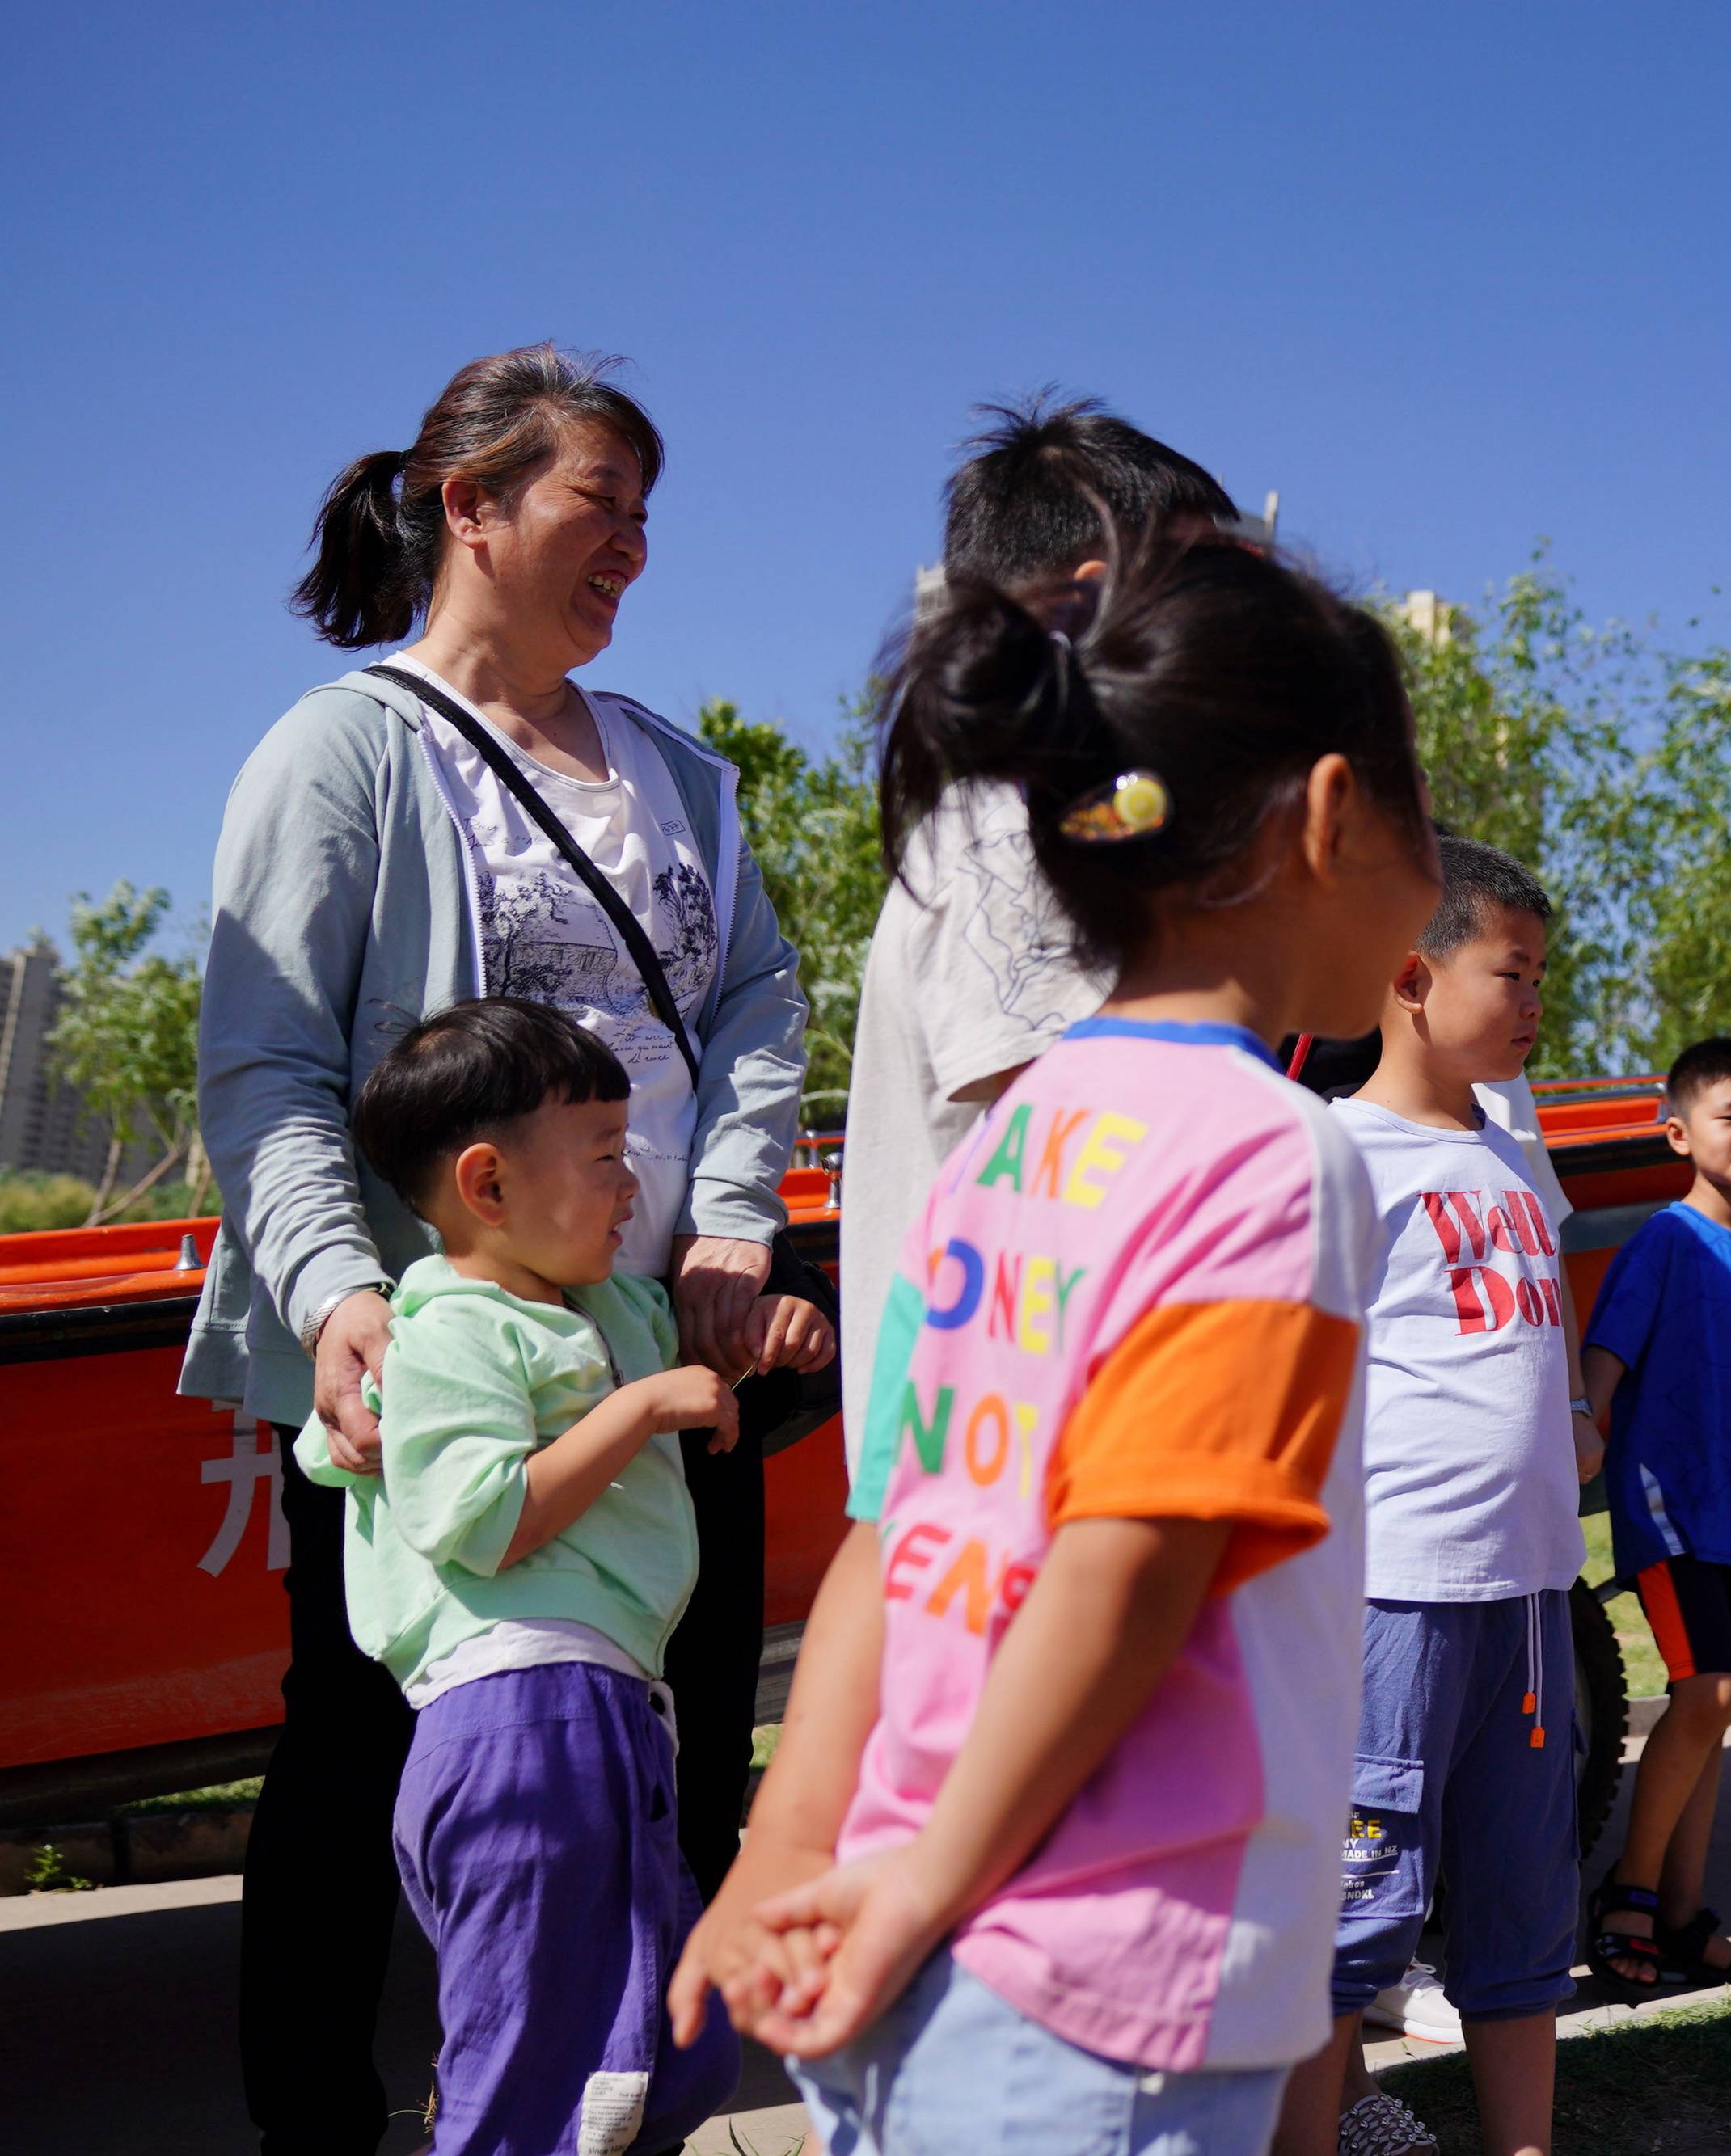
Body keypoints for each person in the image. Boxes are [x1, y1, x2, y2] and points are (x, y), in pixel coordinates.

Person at [666, 533, 1442, 2156]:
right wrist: (922, 1883)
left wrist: (790, 1848)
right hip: (1111, 1974)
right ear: (1326, 815)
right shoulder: (1270, 1153)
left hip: (915, 1921)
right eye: (1416, 809)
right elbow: (1134, 1558)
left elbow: (896, 1532)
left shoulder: (1012, 1144)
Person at [193, 345, 809, 2156]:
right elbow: (266, 1061)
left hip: (661, 1335)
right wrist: (342, 1291)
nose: (629, 548)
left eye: (644, 517)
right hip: (437, 1352)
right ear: (467, 504)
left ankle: (628, 2113)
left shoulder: (682, 781)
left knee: (674, 1737)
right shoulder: (342, 750)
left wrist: (728, 1223)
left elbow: (761, 1003)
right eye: (591, 505)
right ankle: (320, 2123)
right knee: (368, 1748)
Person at [302, 1000, 825, 2154]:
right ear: (487, 1186)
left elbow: (698, 1365)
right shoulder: (442, 1334)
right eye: (605, 1157)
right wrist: (642, 1405)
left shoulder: (612, 1308)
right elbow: (482, 1517)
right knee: (537, 2056)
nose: (635, 1185)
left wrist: (766, 1330)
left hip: (608, 1708)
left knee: (660, 2044)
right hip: (519, 1714)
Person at [838, 395, 1244, 1480]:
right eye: (1200, 587)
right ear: (1088, 597)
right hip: (1013, 1459)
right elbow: (1085, 1143)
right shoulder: (1010, 829)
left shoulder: (1068, 820)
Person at [1274, 838, 1592, 2156]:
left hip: (1530, 1599)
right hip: (1393, 1596)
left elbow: (1549, 1306)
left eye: (1541, 975)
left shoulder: (1515, 1153)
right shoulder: (1337, 1154)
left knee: (1522, 1912)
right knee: (1352, 1912)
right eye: (1510, 972)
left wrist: (1573, 1408)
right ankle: (1326, 2121)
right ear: (1411, 973)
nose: (1534, 1002)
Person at [1577, 1035, 1731, 1998]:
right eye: (1730, 1115)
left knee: (1721, 1715)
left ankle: (1682, 1918)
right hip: (1673, 1508)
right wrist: (1582, 1425)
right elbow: (1604, 1363)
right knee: (1704, 1694)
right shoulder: (1663, 1242)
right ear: (1678, 1133)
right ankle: (1627, 1899)